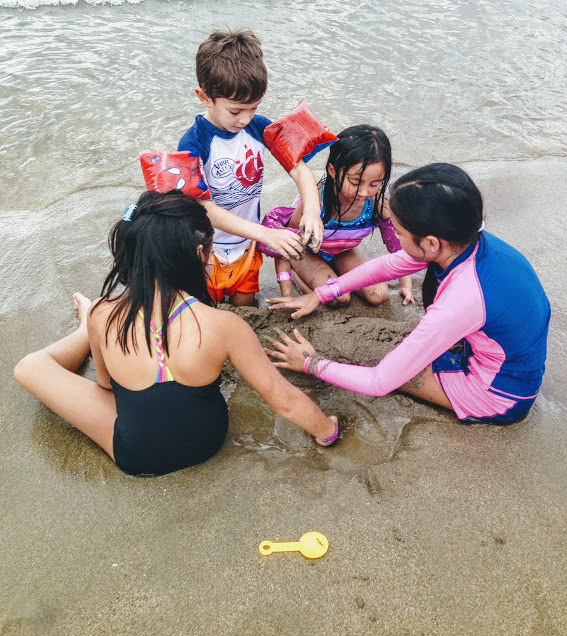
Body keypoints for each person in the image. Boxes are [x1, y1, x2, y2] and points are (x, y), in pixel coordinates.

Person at [13, 192, 339, 477]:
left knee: (28, 367)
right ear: (199, 254)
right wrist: (328, 431)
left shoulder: (105, 314)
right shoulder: (225, 325)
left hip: (135, 454)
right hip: (208, 441)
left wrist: (96, 323)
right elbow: (284, 401)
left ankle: (83, 329)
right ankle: (87, 329)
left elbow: (105, 386)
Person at [266, 163, 550, 425]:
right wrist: (323, 293)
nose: (396, 239)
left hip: (498, 396)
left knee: (379, 361)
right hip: (508, 360)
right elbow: (389, 265)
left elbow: (379, 382)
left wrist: (309, 363)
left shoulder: (461, 300)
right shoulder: (465, 239)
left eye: (399, 233)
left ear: (431, 243)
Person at [178, 28, 323, 306]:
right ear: (204, 96)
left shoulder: (259, 128)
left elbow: (300, 170)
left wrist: (312, 211)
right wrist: (266, 234)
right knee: (206, 311)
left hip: (247, 246)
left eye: (254, 108)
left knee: (245, 306)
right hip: (206, 251)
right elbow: (204, 209)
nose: (245, 119)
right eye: (235, 111)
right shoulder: (194, 142)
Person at [263, 125, 414, 307]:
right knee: (339, 299)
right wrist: (287, 293)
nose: (364, 192)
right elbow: (287, 245)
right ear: (333, 171)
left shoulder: (377, 204)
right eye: (355, 182)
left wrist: (406, 286)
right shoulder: (314, 205)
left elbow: (398, 247)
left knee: (379, 295)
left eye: (375, 184)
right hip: (306, 252)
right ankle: (299, 275)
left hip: (342, 252)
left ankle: (332, 270)